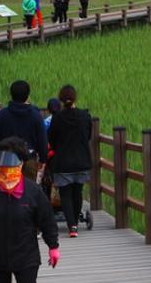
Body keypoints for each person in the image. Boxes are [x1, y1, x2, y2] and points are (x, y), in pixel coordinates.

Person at [0, 148, 61, 283]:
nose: (6, 174)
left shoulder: (33, 191)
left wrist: (53, 246)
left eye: (11, 169)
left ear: (20, 166)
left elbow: (47, 220)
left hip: (26, 255)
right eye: (1, 169)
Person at [45, 85, 93, 237]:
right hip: (81, 160)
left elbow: (51, 139)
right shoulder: (85, 116)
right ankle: (75, 224)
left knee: (65, 194)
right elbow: (88, 135)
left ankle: (72, 226)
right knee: (77, 192)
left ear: (61, 99)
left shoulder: (57, 118)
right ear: (75, 98)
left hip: (63, 161)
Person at [0, 80, 48, 181]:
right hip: (29, 159)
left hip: (7, 158)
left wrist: (5, 140)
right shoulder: (36, 115)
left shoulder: (2, 114)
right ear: (27, 96)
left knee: (8, 188)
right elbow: (42, 140)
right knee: (28, 190)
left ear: (11, 95)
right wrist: (43, 159)